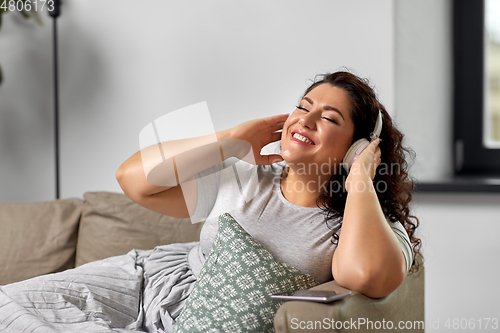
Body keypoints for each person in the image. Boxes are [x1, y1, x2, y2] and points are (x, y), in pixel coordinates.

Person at [0, 70, 421, 333]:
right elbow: (134, 180)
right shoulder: (244, 178)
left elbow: (366, 275)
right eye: (302, 106)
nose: (304, 120)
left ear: (359, 145)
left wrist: (362, 175)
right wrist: (232, 140)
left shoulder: (365, 224)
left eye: (329, 118)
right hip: (145, 283)